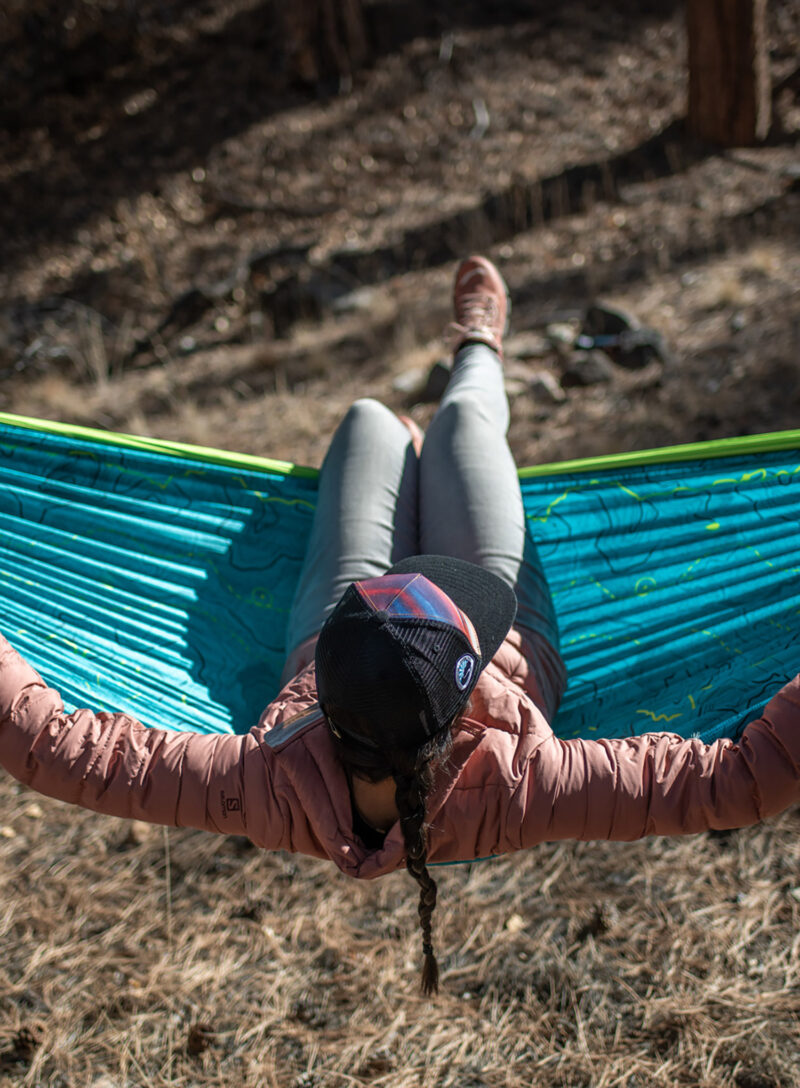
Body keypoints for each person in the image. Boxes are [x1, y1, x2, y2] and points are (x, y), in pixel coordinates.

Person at [1, 257, 798, 996]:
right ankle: (479, 346)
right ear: (461, 715)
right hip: (507, 641)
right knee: (462, 428)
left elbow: (59, 749)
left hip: (354, 632)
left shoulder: (266, 776)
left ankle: (429, 427)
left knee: (372, 422)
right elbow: (738, 782)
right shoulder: (523, 780)